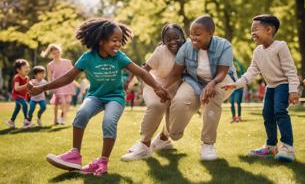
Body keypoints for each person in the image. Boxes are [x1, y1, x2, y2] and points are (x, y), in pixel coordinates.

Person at [28, 18, 170, 176]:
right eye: (114, 40)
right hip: (95, 96)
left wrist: (157, 86)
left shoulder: (119, 57)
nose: (118, 44)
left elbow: (141, 72)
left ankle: (103, 161)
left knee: (109, 121)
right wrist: (42, 87)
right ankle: (75, 155)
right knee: (81, 113)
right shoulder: (87, 58)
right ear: (101, 41)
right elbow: (67, 78)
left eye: (120, 40)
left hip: (115, 97)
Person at [223, 14, 300, 162]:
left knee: (279, 111)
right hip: (270, 87)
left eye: (255, 29)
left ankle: (287, 147)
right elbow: (252, 72)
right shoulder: (257, 51)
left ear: (269, 29)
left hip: (283, 85)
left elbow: (291, 70)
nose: (252, 32)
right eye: (251, 29)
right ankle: (271, 146)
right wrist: (236, 84)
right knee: (267, 114)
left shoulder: (280, 46)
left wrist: (293, 90)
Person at [163, 15, 236, 161]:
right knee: (180, 101)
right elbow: (176, 73)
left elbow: (223, 71)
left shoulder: (224, 45)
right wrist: (162, 88)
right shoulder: (186, 48)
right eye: (191, 34)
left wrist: (212, 83)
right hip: (196, 81)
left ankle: (208, 144)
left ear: (211, 33)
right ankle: (169, 135)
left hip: (222, 80)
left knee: (212, 96)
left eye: (198, 34)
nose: (193, 38)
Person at [121, 23, 186, 161]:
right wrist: (130, 80)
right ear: (164, 41)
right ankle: (144, 145)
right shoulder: (161, 51)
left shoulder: (190, 50)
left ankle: (164, 138)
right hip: (154, 83)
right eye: (169, 39)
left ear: (183, 37)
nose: (173, 41)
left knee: (175, 125)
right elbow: (145, 69)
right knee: (157, 105)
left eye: (176, 38)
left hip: (175, 88)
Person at [42, 44, 75, 125]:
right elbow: (49, 78)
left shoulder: (67, 62)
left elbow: (73, 72)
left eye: (57, 52)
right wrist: (48, 88)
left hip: (68, 84)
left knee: (67, 102)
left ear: (60, 52)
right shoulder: (50, 65)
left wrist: (74, 82)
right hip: (58, 85)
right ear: (51, 54)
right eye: (54, 53)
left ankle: (62, 118)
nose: (56, 54)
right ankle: (61, 118)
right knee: (62, 102)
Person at [7, 59, 31, 129]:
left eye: (28, 67)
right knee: (25, 104)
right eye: (25, 67)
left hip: (22, 96)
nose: (27, 69)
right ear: (18, 70)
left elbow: (27, 88)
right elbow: (16, 88)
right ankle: (26, 120)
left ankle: (11, 121)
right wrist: (26, 85)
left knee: (17, 108)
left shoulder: (27, 78)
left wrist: (30, 91)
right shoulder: (17, 77)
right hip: (16, 95)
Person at [229, 59, 245, 123]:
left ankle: (239, 117)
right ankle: (233, 117)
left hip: (238, 87)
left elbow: (242, 73)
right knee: (232, 103)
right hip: (231, 87)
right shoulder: (228, 65)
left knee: (237, 102)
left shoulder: (238, 64)